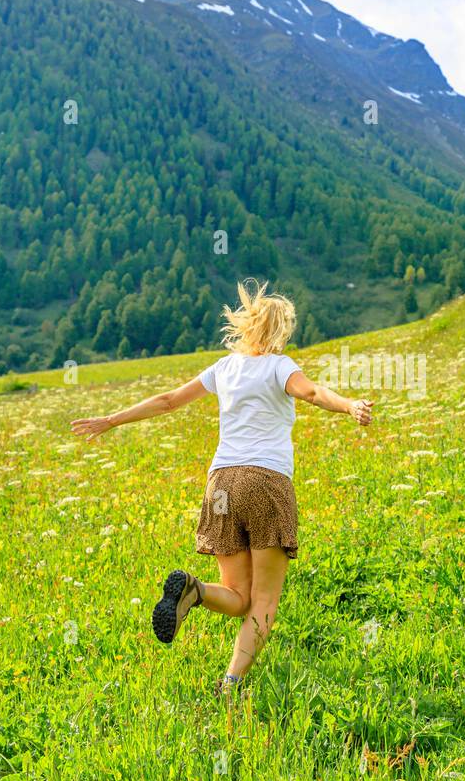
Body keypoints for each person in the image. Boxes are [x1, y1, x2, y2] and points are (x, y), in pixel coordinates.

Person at [70, 280, 373, 695]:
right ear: (280, 331)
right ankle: (230, 683)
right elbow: (313, 392)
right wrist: (350, 405)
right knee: (263, 601)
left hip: (221, 485)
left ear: (245, 327)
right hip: (265, 482)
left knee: (237, 595)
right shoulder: (280, 365)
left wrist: (110, 420)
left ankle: (193, 591)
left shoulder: (224, 367)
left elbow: (168, 400)